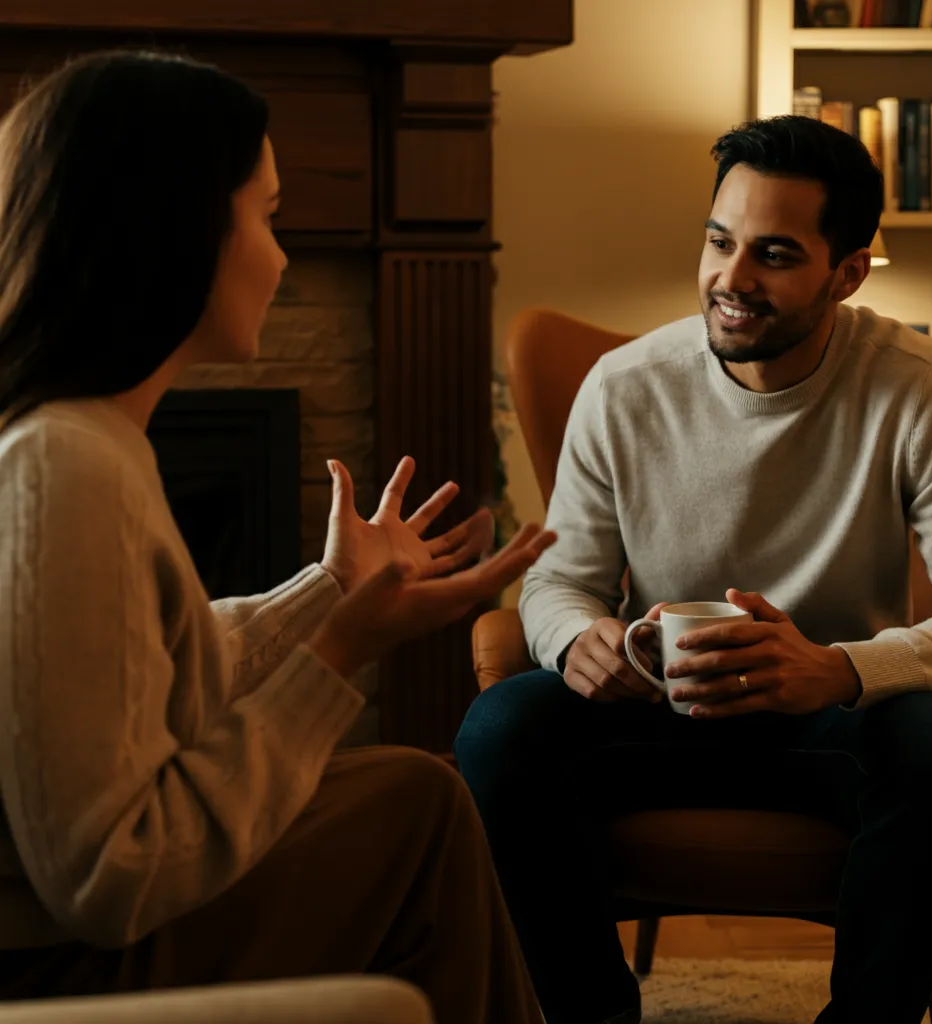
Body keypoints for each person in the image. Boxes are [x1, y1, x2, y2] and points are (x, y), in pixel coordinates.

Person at [0, 50, 555, 1024]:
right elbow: (109, 880)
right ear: (179, 233)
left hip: (67, 937)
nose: (282, 255)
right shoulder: (64, 464)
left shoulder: (83, 440)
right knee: (415, 815)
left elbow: (137, 682)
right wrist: (340, 650)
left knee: (412, 793)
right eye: (266, 215)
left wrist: (331, 590)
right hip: (57, 966)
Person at [455, 115, 932, 1024]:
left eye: (774, 254)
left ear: (846, 273)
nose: (730, 279)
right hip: (657, 714)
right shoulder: (625, 386)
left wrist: (839, 669)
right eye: (719, 242)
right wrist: (576, 642)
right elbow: (558, 580)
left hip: (832, 722)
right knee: (498, 729)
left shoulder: (918, 385)